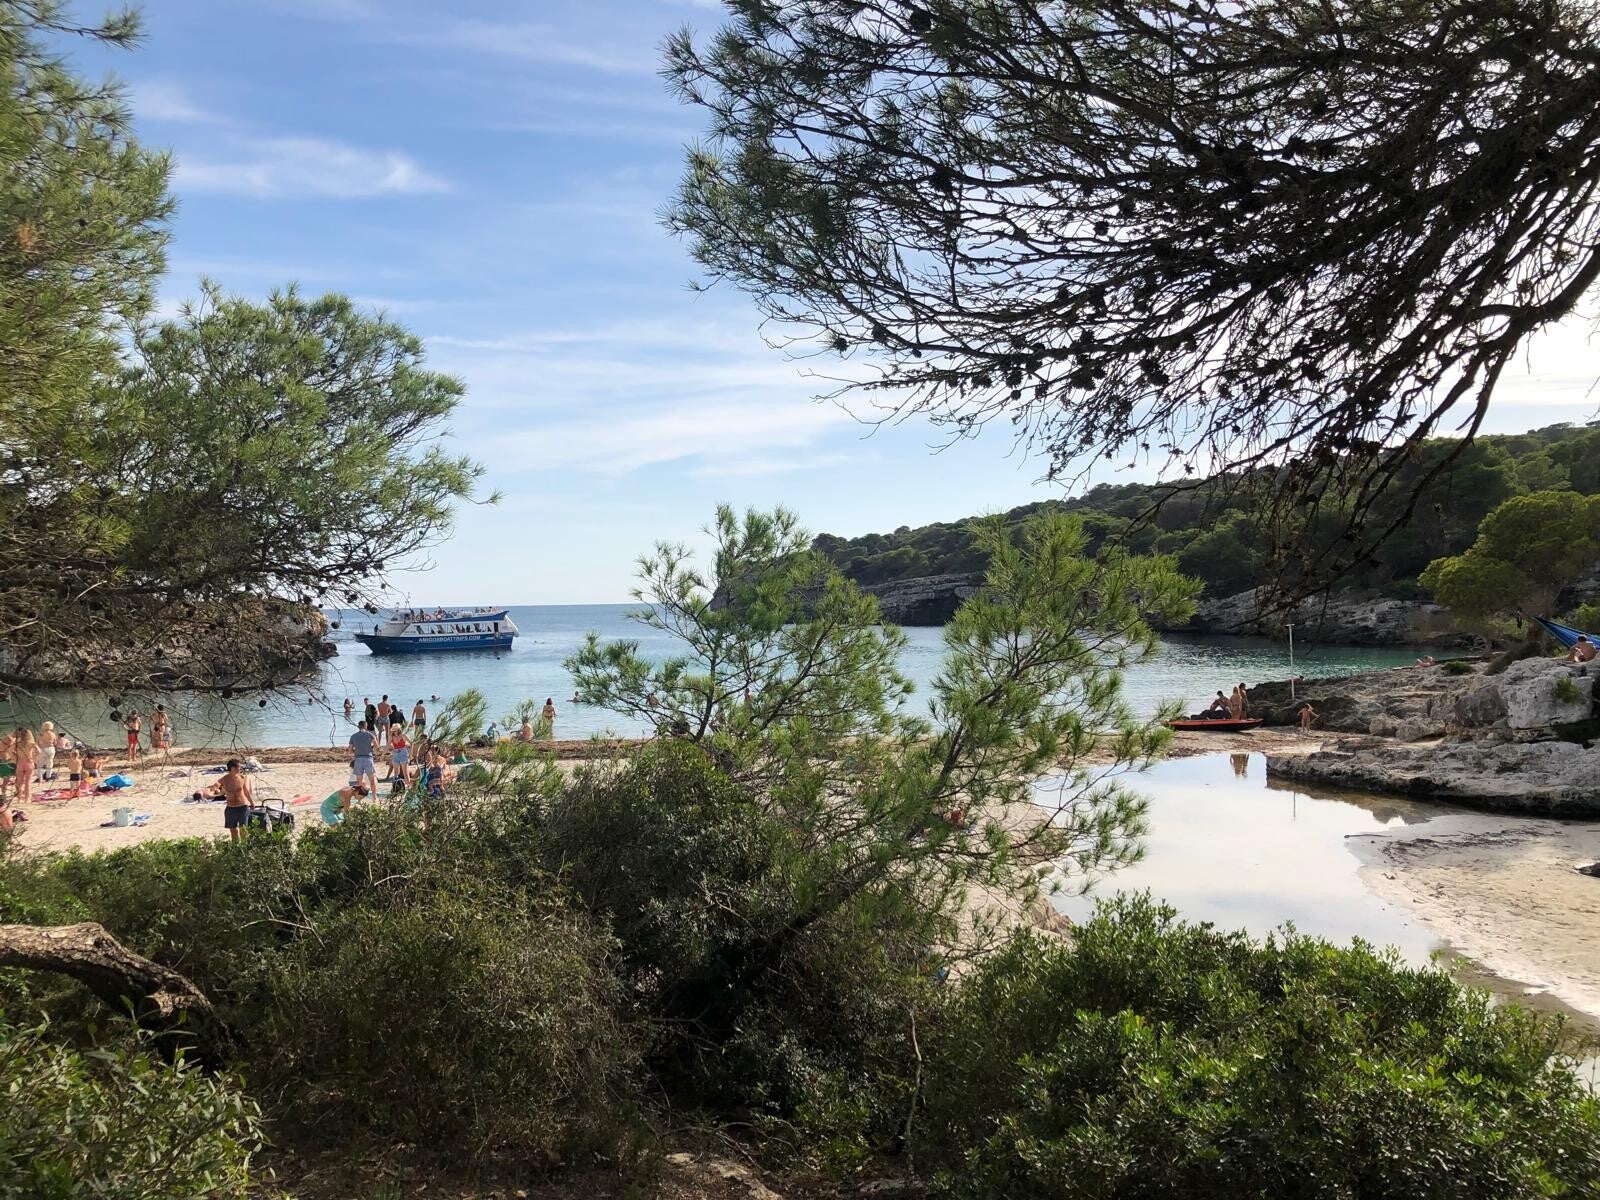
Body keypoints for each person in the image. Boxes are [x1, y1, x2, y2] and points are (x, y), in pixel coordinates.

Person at [217, 758, 254, 843]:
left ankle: (245, 847)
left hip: (243, 806)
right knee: (233, 831)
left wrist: (252, 802)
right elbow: (217, 790)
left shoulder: (242, 777)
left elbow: (246, 791)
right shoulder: (224, 779)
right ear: (233, 768)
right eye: (239, 767)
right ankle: (236, 848)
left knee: (243, 830)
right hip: (231, 808)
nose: (240, 769)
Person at [348, 720, 379, 797]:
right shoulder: (370, 735)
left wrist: (356, 750)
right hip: (368, 758)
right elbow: (377, 746)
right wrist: (371, 748)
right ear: (366, 726)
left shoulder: (353, 736)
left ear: (358, 727)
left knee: (359, 782)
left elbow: (349, 750)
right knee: (372, 780)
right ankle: (374, 797)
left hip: (358, 759)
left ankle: (360, 797)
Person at [12, 729, 35, 805]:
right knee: (28, 782)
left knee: (20, 782)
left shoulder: (17, 744)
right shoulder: (31, 743)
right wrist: (33, 758)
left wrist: (15, 758)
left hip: (20, 763)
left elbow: (10, 751)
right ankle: (27, 798)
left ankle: (19, 798)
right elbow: (39, 751)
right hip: (29, 763)